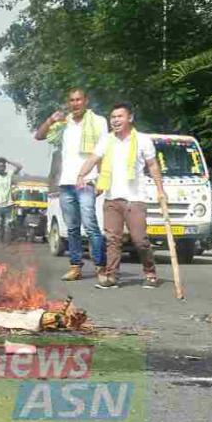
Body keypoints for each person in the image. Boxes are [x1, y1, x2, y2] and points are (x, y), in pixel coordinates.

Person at [76, 103, 166, 289]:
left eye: (119, 116)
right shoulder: (106, 140)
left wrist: (160, 190)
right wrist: (81, 175)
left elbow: (153, 165)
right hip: (112, 197)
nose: (115, 120)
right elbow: (93, 159)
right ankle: (111, 276)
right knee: (112, 240)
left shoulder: (142, 140)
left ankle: (150, 272)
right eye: (113, 117)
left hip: (135, 198)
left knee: (140, 240)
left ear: (130, 118)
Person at [35, 88, 108, 282]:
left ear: (86, 101)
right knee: (72, 228)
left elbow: (101, 151)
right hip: (66, 183)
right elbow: (39, 136)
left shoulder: (99, 121)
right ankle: (76, 267)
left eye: (79, 100)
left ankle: (101, 268)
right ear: (69, 103)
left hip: (87, 181)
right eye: (72, 100)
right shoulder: (63, 124)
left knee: (91, 225)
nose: (75, 103)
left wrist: (100, 178)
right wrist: (51, 120)